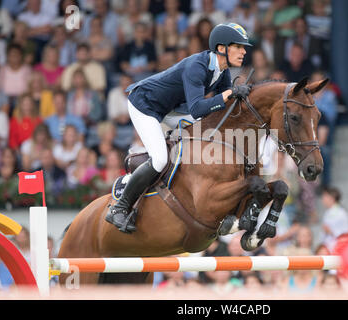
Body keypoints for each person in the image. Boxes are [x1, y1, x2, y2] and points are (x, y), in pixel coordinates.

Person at [106, 23, 253, 233]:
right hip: (144, 105)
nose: (244, 51)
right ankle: (120, 207)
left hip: (170, 110)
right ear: (222, 48)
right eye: (238, 46)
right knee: (160, 159)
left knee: (204, 134)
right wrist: (229, 94)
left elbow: (223, 108)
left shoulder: (222, 71)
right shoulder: (197, 66)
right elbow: (197, 108)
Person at [320, 186, 348, 251]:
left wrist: (331, 232)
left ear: (332, 198)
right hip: (328, 246)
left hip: (337, 247)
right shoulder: (327, 212)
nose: (323, 199)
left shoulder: (342, 213)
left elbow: (346, 232)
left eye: (325, 197)